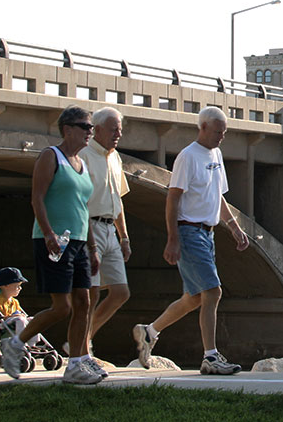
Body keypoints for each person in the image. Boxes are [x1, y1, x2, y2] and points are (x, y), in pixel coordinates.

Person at [132, 106, 249, 374]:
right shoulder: (187, 156)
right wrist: (173, 239)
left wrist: (234, 227)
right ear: (204, 127)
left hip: (207, 234)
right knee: (213, 291)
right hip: (189, 231)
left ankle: (149, 332)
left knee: (194, 297)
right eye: (218, 131)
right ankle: (210, 357)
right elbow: (173, 197)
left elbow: (217, 196)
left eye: (225, 132)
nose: (222, 136)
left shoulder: (216, 154)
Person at [0, 106, 102, 384]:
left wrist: (93, 249)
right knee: (63, 307)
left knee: (84, 301)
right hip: (55, 241)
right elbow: (38, 199)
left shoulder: (83, 163)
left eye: (91, 127)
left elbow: (83, 209)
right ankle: (16, 343)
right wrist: (48, 234)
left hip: (79, 242)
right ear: (67, 129)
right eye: (85, 126)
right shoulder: (50, 156)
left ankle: (77, 363)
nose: (90, 132)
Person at [79, 107, 132, 352]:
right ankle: (82, 348)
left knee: (120, 292)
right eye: (113, 129)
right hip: (89, 228)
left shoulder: (115, 157)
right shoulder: (84, 155)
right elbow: (78, 201)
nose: (118, 134)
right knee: (91, 295)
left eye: (120, 129)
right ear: (97, 129)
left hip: (111, 230)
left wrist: (125, 237)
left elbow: (117, 199)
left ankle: (84, 337)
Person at [0, 267, 45, 345]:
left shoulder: (15, 301)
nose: (20, 288)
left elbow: (19, 313)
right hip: (3, 324)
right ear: (5, 285)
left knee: (33, 320)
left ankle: (32, 344)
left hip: (14, 321)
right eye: (17, 285)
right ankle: (20, 342)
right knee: (20, 320)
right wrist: (13, 317)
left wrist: (20, 316)